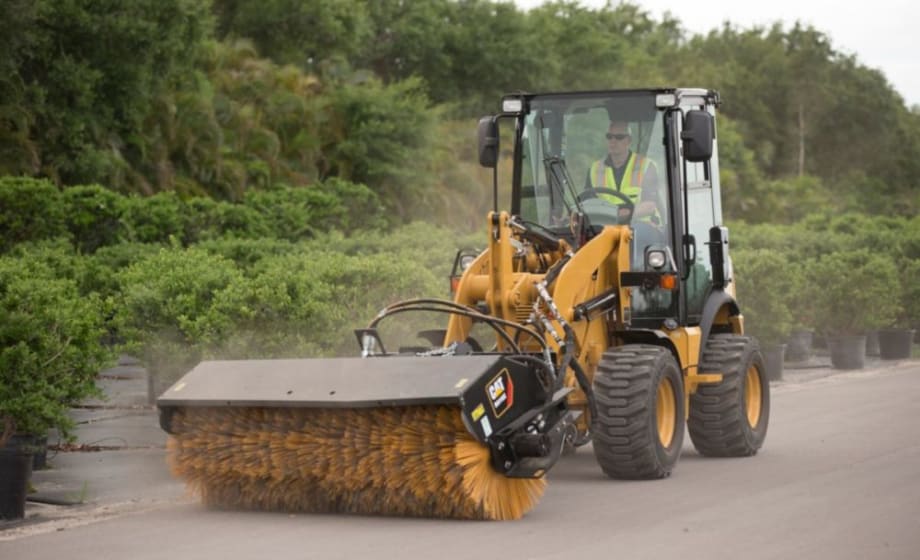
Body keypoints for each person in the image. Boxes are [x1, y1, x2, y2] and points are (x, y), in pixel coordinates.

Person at [585, 120, 661, 224]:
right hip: (606, 229)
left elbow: (649, 206)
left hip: (641, 227)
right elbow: (586, 204)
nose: (613, 141)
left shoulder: (646, 166)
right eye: (609, 136)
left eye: (619, 137)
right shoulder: (595, 169)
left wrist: (618, 215)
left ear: (629, 140)